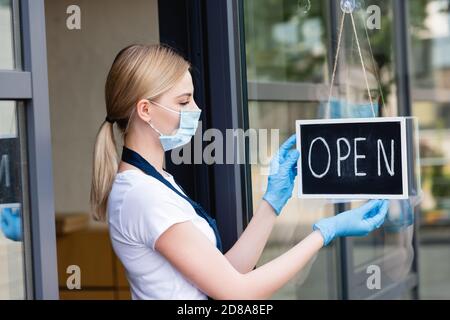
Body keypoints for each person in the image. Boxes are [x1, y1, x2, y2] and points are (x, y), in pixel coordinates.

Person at [90, 44, 389, 300]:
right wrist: (325, 233)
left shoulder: (155, 183)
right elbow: (237, 292)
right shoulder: (144, 197)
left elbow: (227, 271)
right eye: (183, 101)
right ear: (145, 110)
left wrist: (271, 204)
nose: (196, 109)